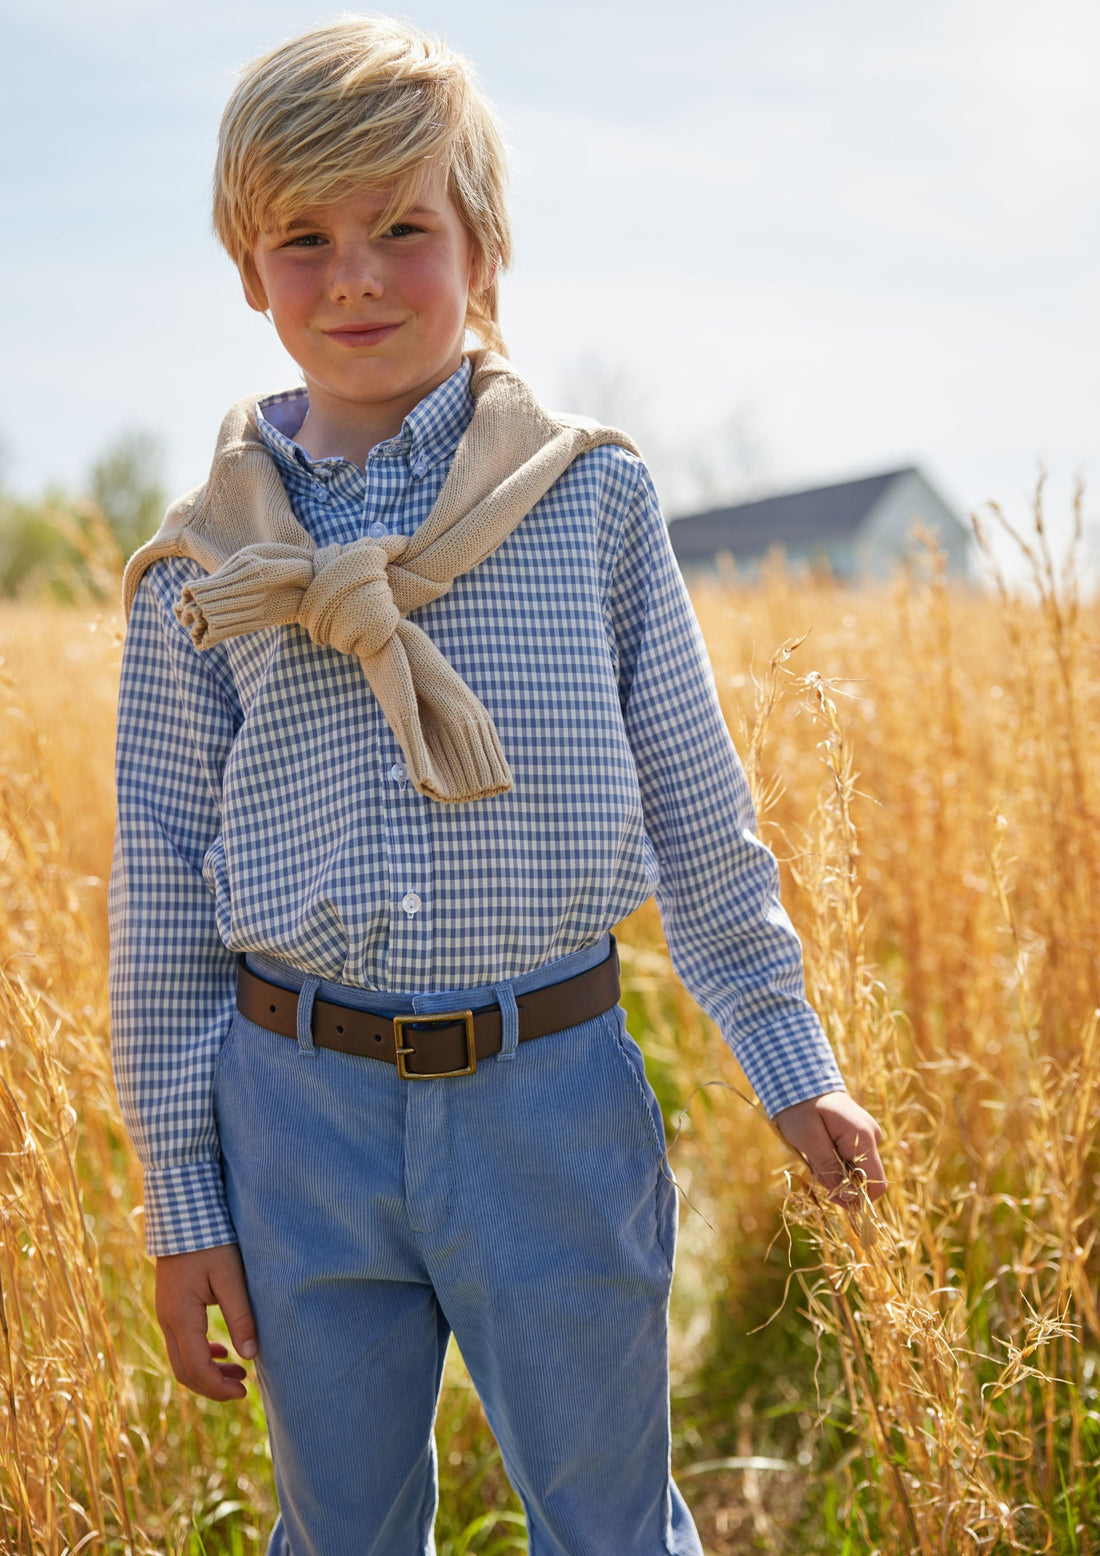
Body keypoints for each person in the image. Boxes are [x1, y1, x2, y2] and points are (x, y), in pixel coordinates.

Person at [108, 16, 887, 1555]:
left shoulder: (590, 498)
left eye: (405, 228)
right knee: (340, 1529)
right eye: (305, 238)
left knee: (605, 1522)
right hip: (296, 1110)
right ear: (248, 269)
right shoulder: (203, 572)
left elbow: (690, 800)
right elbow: (160, 904)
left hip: (551, 1087)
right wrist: (185, 1205)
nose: (356, 278)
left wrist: (789, 1057)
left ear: (485, 245)